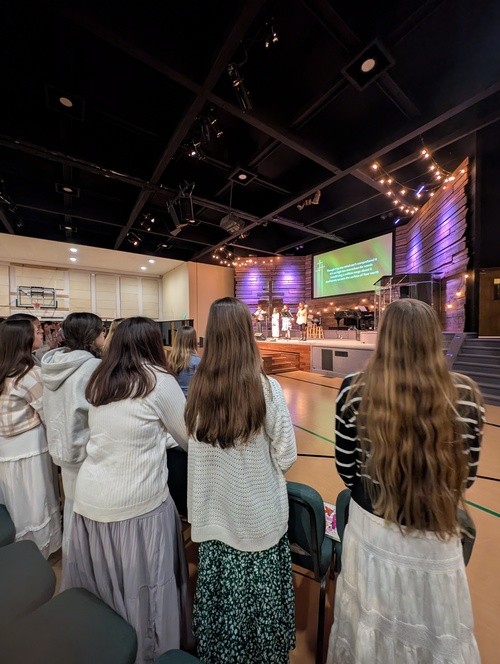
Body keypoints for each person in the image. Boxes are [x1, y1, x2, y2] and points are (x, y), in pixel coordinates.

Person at [327, 298, 485, 664]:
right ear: (434, 338)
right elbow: (465, 479)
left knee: (368, 625)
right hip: (435, 538)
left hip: (372, 532)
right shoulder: (467, 397)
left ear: (385, 338)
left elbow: (347, 469)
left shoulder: (354, 390)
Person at [63, 317, 191, 664]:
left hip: (89, 502)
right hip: (136, 506)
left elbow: (123, 430)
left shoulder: (101, 378)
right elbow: (188, 438)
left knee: (104, 592)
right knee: (142, 592)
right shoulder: (158, 380)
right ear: (153, 343)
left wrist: (156, 435)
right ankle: (148, 653)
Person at [185, 297, 297, 664]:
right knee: (259, 616)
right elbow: (287, 455)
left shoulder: (198, 391)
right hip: (258, 522)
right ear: (247, 335)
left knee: (223, 611)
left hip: (214, 521)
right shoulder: (266, 389)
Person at [41, 312, 105, 560]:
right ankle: (88, 563)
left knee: (71, 505)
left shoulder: (52, 364)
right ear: (91, 335)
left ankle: (73, 560)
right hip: (85, 449)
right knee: (89, 512)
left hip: (61, 447)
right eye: (100, 330)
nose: (104, 334)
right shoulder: (92, 368)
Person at [0, 319, 62, 558]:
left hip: (6, 448)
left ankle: (16, 550)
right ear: (23, 339)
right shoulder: (28, 374)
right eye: (36, 331)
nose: (41, 334)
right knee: (35, 500)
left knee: (14, 501)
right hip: (29, 446)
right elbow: (48, 413)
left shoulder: (6, 371)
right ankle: (36, 550)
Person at [167, 325, 201, 396]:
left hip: (174, 396)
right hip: (190, 398)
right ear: (193, 341)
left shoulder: (171, 359)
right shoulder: (197, 361)